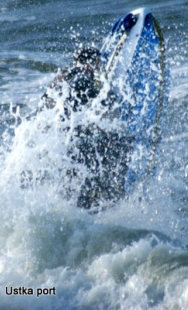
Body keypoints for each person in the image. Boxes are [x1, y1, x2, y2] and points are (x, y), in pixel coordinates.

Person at [41, 46, 132, 209]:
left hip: (64, 143)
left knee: (74, 190)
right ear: (90, 63)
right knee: (122, 143)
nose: (100, 66)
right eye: (97, 62)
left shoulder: (64, 77)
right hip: (82, 141)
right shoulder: (83, 80)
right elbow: (96, 109)